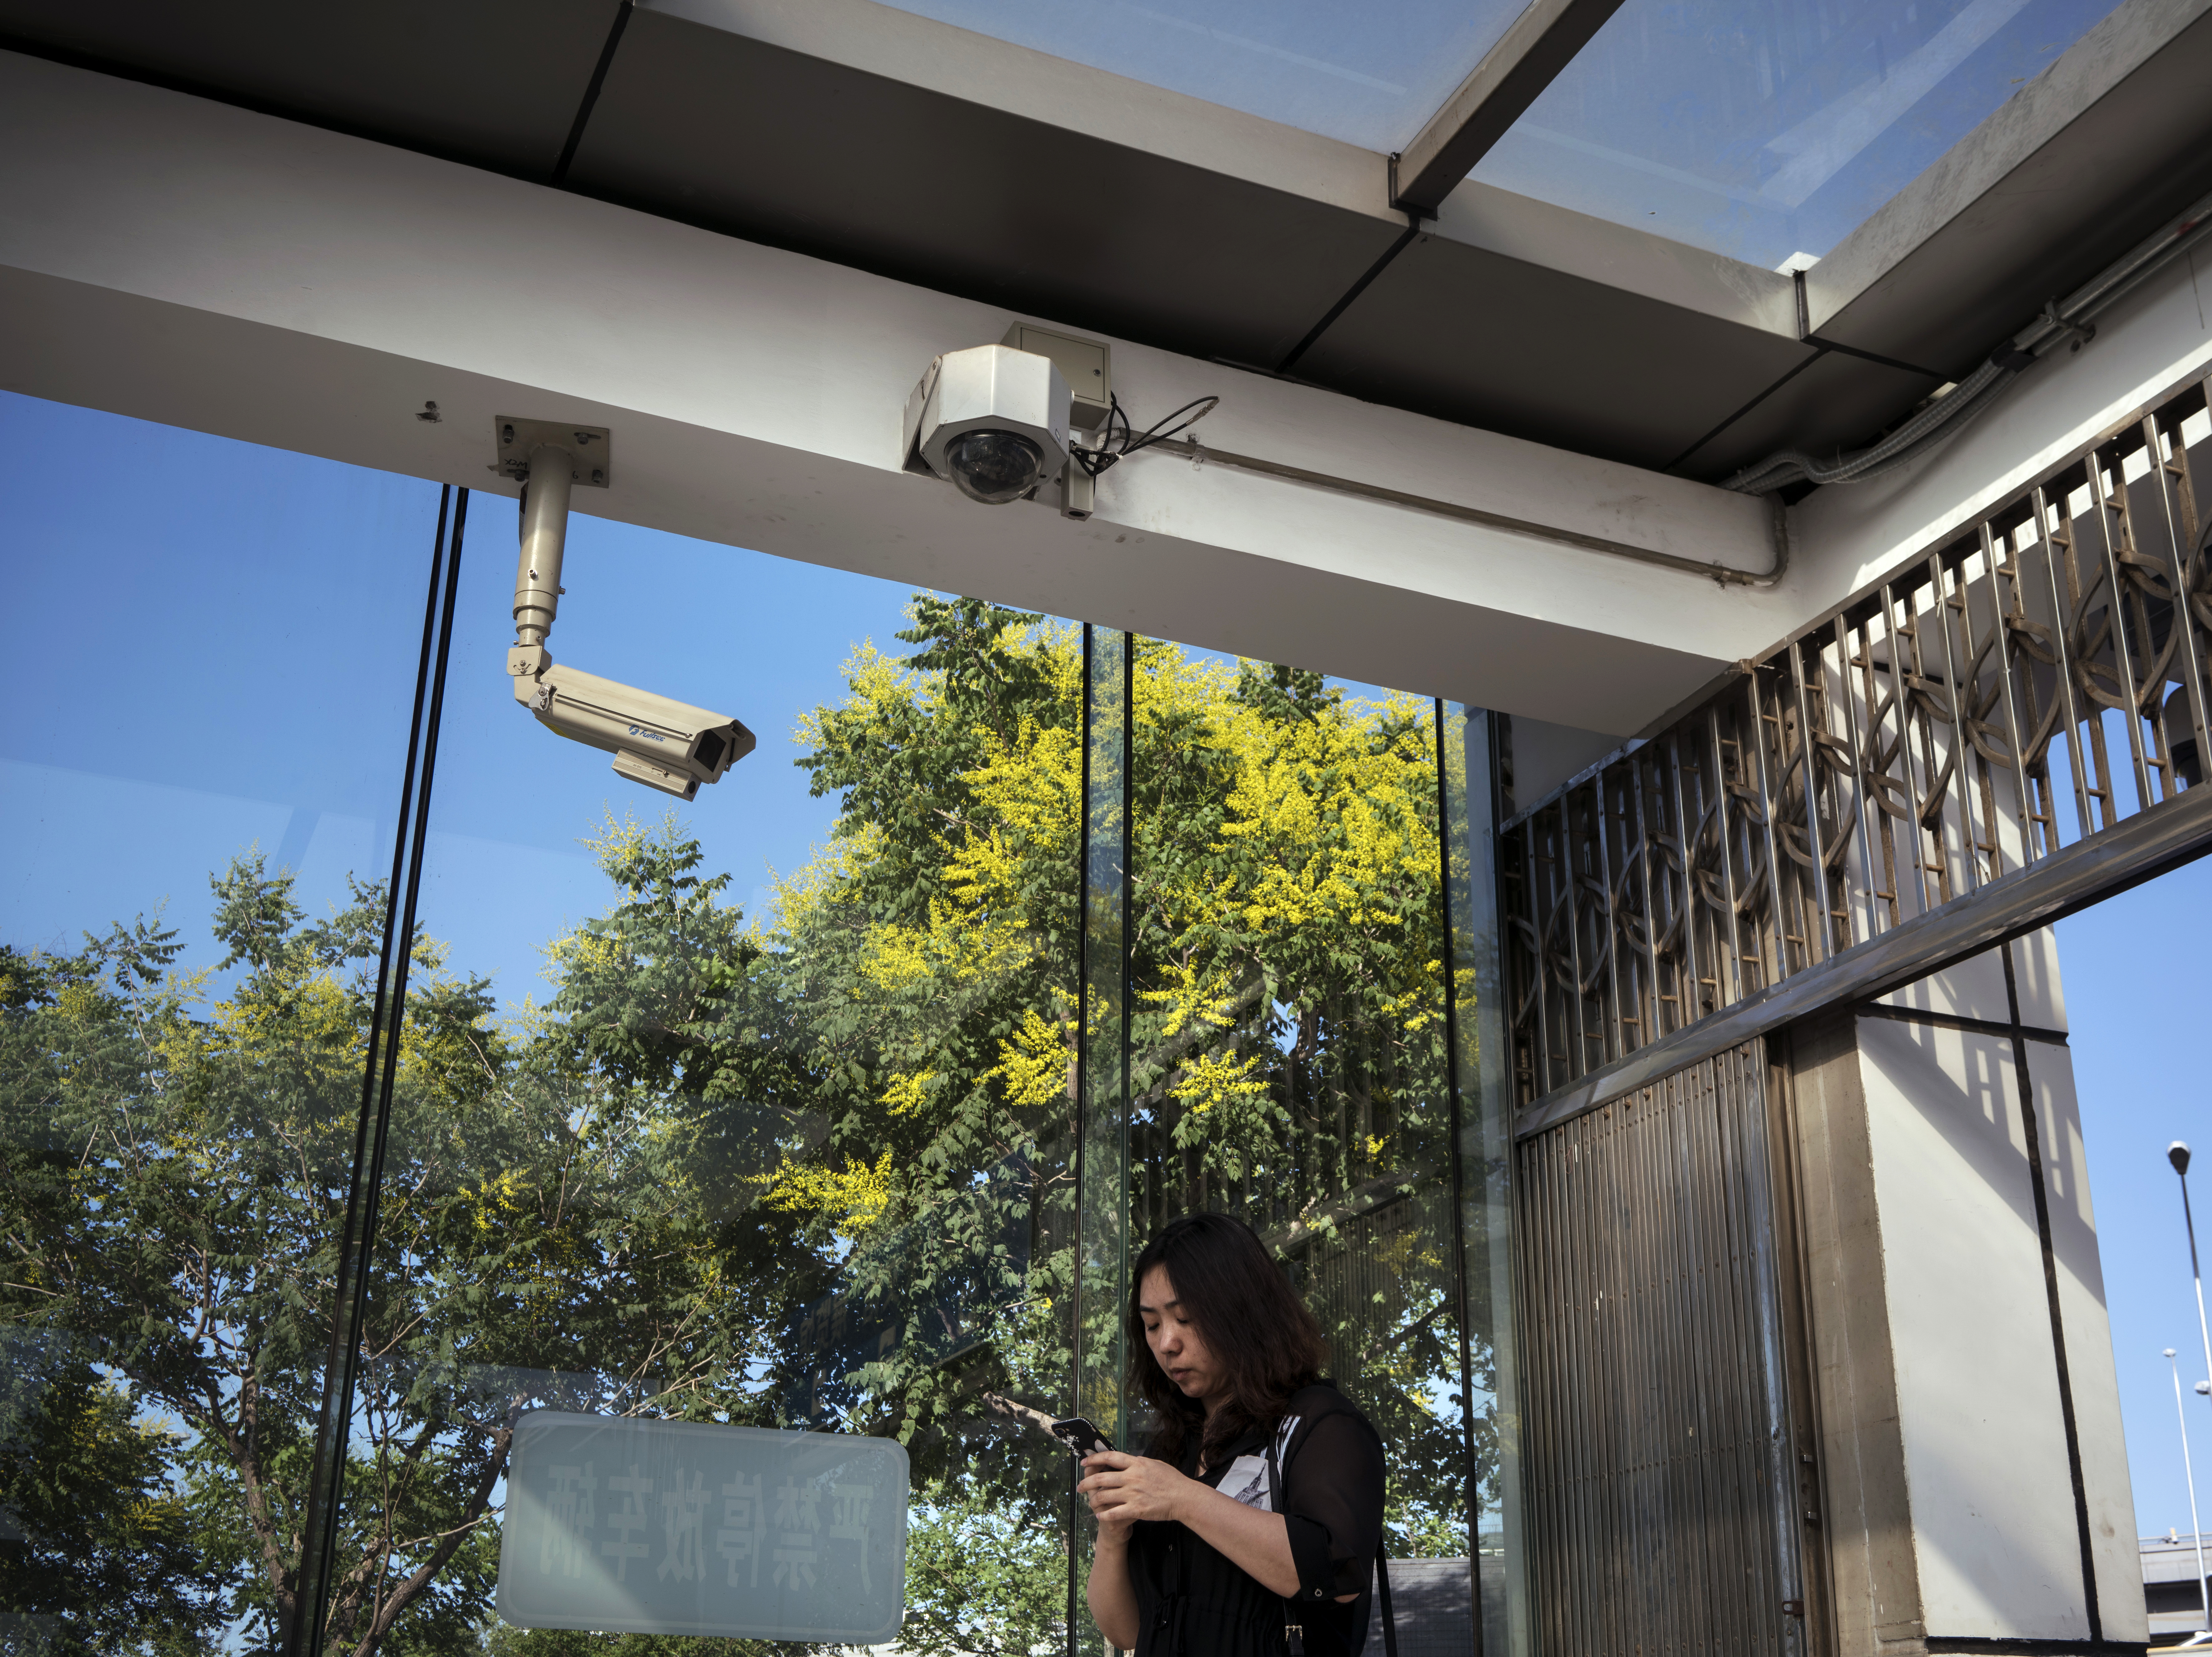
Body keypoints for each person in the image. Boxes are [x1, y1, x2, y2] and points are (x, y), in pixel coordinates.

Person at [1078, 1212, 1388, 1657]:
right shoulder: (1172, 1450)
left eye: (1185, 1318)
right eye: (1151, 1325)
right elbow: (1129, 1633)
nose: (1167, 1343)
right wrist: (1113, 1534)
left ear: (1243, 1311)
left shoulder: (1320, 1424)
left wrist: (1184, 1499)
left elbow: (1334, 1575)